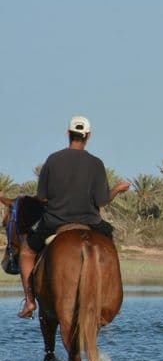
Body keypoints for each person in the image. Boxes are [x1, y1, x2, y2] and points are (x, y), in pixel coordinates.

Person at [16, 116, 130, 318]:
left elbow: (42, 197)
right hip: (91, 222)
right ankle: (109, 296)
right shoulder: (96, 163)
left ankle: (30, 302)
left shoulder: (53, 159)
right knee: (109, 249)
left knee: (26, 252)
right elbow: (102, 200)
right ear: (88, 136)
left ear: (68, 134)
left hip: (54, 221)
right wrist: (118, 190)